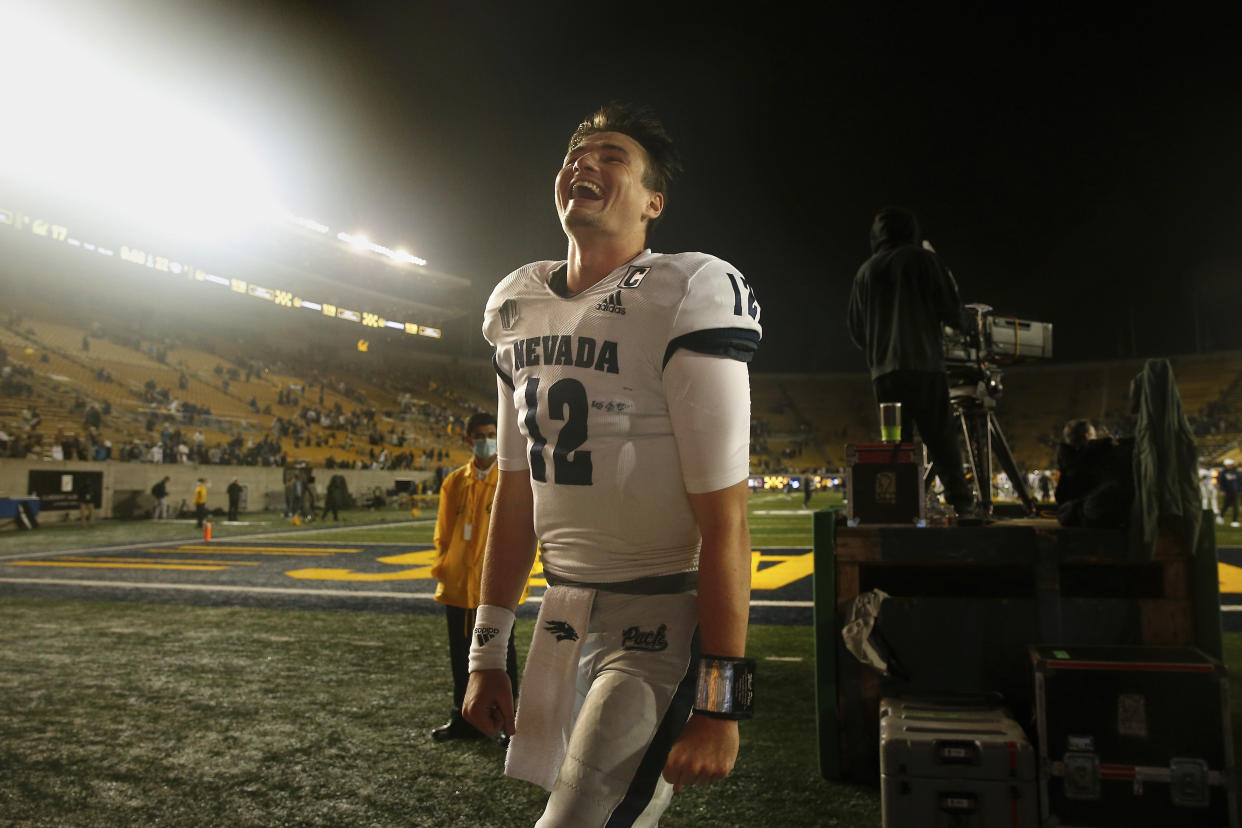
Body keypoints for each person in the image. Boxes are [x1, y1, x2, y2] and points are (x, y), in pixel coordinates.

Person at [464, 103, 761, 826]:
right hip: (561, 616)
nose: (584, 164)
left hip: (662, 618)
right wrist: (487, 649)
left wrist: (723, 702)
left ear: (654, 203)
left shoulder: (686, 290)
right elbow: (514, 490)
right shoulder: (514, 304)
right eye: (575, 155)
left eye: (612, 156)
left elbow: (727, 519)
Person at [846, 207, 980, 520]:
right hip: (924, 365)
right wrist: (968, 323)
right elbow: (950, 309)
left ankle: (897, 506)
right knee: (940, 437)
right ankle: (963, 506)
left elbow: (855, 329)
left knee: (895, 444)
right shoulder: (923, 259)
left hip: (884, 373)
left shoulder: (865, 271)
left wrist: (880, 348)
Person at [430, 412, 524, 742]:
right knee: (460, 654)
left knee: (500, 655)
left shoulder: (510, 479)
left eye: (491, 433)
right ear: (469, 439)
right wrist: (444, 565)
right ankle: (463, 718)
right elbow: (443, 532)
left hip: (494, 587)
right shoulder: (454, 481)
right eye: (480, 434)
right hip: (457, 585)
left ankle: (506, 724)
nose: (486, 439)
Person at [1054, 419, 1133, 529]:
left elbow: (1060, 496)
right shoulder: (1098, 453)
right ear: (1087, 436)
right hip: (1091, 515)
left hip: (1073, 515)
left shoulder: (1067, 460)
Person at [1220, 458, 1241, 528]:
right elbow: (1221, 482)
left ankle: (1234, 521)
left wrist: (1239, 489)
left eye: (1230, 464)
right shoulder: (1223, 473)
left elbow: (1239, 481)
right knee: (1226, 505)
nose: (1230, 466)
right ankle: (1220, 516)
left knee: (1236, 507)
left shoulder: (1236, 472)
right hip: (1227, 492)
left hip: (1235, 492)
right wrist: (1222, 490)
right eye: (1228, 464)